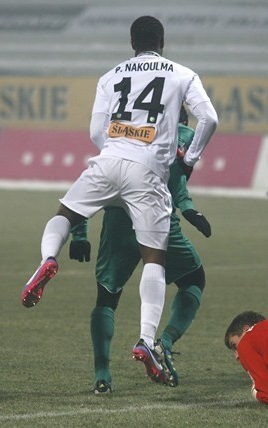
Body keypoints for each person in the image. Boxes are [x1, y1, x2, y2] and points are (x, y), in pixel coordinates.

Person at [20, 15, 218, 386]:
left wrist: (118, 147)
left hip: (108, 163)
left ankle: (47, 259)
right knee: (155, 261)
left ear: (131, 42)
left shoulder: (110, 76)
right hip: (147, 176)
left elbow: (96, 131)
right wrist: (187, 161)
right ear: (162, 41)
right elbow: (209, 117)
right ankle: (147, 340)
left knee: (65, 214)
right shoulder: (182, 74)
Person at [70, 108, 211, 393]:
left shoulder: (119, 134)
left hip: (117, 225)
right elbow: (177, 176)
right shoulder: (182, 132)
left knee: (106, 299)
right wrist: (189, 209)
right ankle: (162, 342)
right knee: (193, 280)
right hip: (159, 222)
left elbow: (91, 185)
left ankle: (102, 375)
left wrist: (79, 232)